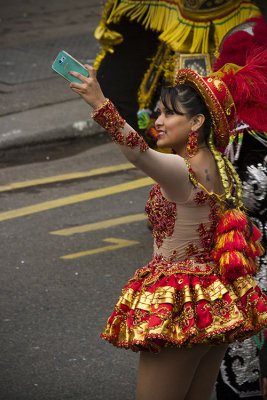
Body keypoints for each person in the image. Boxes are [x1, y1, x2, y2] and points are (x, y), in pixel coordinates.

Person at [68, 55, 267, 399]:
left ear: (197, 123)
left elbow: (137, 152)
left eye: (168, 113)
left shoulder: (182, 170)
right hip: (218, 297)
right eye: (159, 112)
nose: (158, 121)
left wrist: (100, 102)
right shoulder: (221, 167)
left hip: (181, 304)